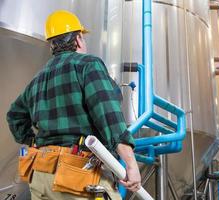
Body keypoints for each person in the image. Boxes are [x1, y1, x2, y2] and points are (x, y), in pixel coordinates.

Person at [7, 10, 141, 200]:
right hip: (78, 175)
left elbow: (14, 116)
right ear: (78, 39)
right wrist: (131, 164)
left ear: (52, 44)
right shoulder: (88, 65)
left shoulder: (37, 79)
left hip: (41, 174)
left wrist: (32, 141)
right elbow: (109, 117)